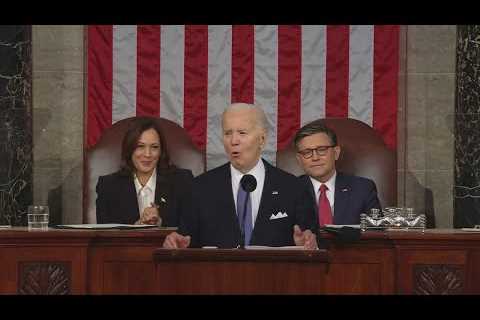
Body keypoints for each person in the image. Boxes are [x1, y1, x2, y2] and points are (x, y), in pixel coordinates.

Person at [163, 103, 317, 249]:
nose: (233, 141)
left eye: (242, 133)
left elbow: (308, 241)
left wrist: (306, 244)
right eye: (227, 133)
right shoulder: (199, 188)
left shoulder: (293, 188)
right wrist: (179, 243)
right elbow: (187, 240)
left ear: (262, 140)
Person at [96, 117, 193, 226]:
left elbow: (191, 229)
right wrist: (136, 227)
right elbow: (104, 236)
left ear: (161, 151)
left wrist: (161, 223)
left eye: (154, 147)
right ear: (129, 149)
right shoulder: (108, 186)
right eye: (140, 146)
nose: (147, 154)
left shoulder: (182, 180)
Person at [293, 119, 381, 226]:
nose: (315, 157)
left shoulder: (363, 189)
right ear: (299, 160)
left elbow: (376, 236)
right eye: (307, 152)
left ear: (336, 153)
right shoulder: (288, 191)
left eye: (322, 150)